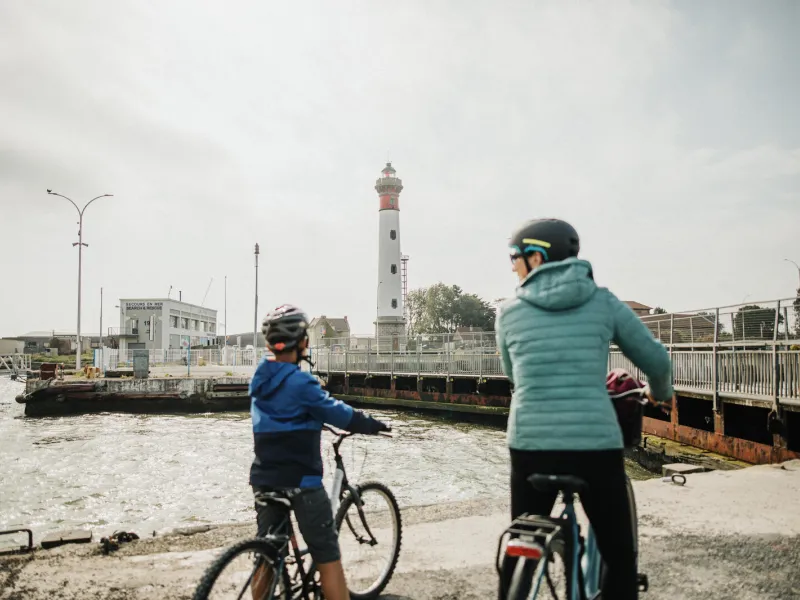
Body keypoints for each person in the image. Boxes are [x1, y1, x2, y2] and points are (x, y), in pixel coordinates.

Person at [496, 218, 674, 600]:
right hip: (594, 447)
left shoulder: (508, 313)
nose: (512, 267)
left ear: (537, 257)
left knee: (522, 537)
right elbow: (657, 361)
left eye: (515, 257)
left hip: (529, 444)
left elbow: (512, 374)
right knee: (619, 558)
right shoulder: (603, 302)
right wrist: (661, 392)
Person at [249, 304, 390, 600]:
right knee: (327, 555)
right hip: (301, 481)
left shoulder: (259, 379)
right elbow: (337, 412)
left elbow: (281, 415)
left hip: (264, 478)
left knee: (268, 553)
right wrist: (370, 424)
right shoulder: (302, 382)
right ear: (302, 342)